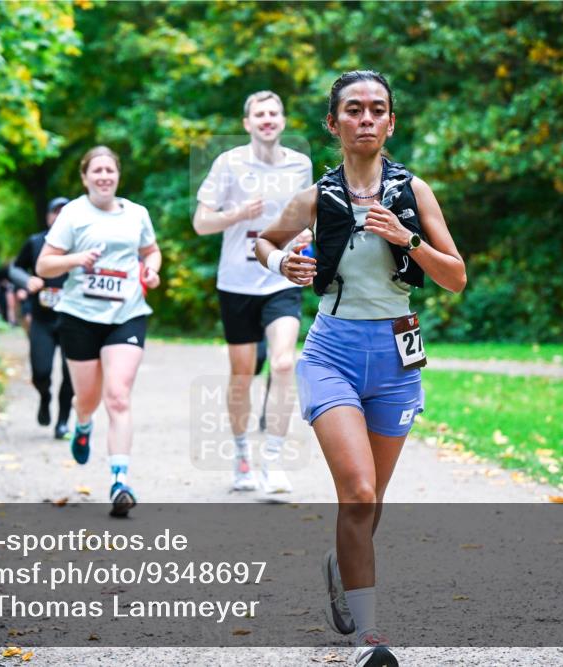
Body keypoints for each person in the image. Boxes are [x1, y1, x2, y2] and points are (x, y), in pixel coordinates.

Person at [255, 70, 467, 667]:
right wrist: (281, 265)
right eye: (354, 109)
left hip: (397, 359)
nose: (366, 118)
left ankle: (340, 565)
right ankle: (371, 639)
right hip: (332, 355)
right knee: (359, 491)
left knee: (367, 508)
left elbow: (455, 277)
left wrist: (408, 239)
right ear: (334, 123)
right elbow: (263, 241)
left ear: (391, 123)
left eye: (377, 109)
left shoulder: (414, 193)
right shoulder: (315, 198)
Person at [193, 90, 312, 496]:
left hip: (281, 277)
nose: (267, 119)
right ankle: (242, 454)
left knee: (282, 364)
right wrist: (237, 215)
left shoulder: (300, 164)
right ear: (247, 123)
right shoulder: (228, 163)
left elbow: (306, 218)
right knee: (242, 375)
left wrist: (305, 240)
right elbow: (201, 223)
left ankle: (273, 461)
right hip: (237, 283)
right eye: (259, 113)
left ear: (282, 120)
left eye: (273, 113)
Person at [36, 146, 161, 518]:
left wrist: (151, 270)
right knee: (86, 398)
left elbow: (151, 251)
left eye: (110, 170)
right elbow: (44, 265)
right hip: (79, 316)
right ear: (85, 177)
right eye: (97, 171)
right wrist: (77, 259)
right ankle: (83, 423)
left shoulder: (137, 213)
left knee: (118, 396)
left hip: (127, 312)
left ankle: (120, 481)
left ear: (117, 175)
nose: (104, 176)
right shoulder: (73, 214)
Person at [10, 196, 74, 439]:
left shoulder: (81, 243)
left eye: (65, 212)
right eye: (55, 212)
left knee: (71, 374)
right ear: (48, 217)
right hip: (43, 320)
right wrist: (27, 281)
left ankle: (63, 423)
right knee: (41, 371)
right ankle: (45, 396)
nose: (59, 217)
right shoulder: (36, 242)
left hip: (72, 320)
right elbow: (15, 268)